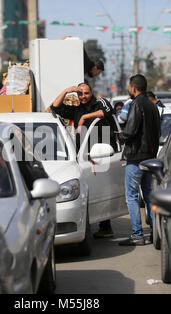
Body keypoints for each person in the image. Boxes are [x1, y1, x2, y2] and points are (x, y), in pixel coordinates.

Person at [50, 82, 117, 238]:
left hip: (102, 155)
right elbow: (55, 107)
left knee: (103, 190)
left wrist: (84, 118)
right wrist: (67, 91)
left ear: (91, 92)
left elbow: (107, 112)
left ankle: (106, 226)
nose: (83, 97)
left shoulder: (101, 102)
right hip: (83, 157)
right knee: (86, 191)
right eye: (80, 94)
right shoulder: (75, 109)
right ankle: (87, 223)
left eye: (86, 93)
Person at [117, 74, 161, 246]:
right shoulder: (152, 106)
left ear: (133, 87)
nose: (129, 89)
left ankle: (137, 234)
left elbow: (131, 130)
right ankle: (153, 233)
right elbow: (157, 132)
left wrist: (121, 137)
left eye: (129, 86)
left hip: (136, 157)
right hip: (150, 157)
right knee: (149, 196)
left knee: (132, 197)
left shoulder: (136, 104)